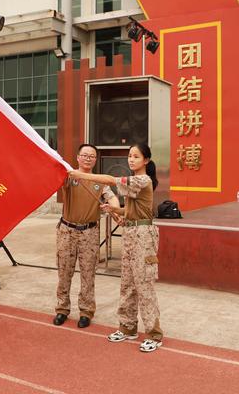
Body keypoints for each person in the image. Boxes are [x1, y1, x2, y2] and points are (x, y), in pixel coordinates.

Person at [69, 143, 163, 353]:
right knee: (127, 283)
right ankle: (128, 327)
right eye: (129, 156)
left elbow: (111, 181)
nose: (131, 160)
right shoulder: (133, 183)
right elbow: (130, 209)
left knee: (144, 284)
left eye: (135, 157)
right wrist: (114, 209)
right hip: (130, 234)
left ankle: (154, 334)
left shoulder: (142, 180)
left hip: (143, 237)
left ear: (146, 161)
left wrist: (81, 175)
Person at [54, 143, 119, 328]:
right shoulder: (70, 176)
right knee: (64, 272)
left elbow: (111, 197)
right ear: (78, 157)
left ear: (96, 159)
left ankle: (86, 311)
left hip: (89, 232)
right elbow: (55, 180)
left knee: (88, 273)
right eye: (85, 155)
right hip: (67, 230)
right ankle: (62, 309)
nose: (88, 158)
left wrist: (115, 208)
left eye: (92, 156)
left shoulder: (100, 181)